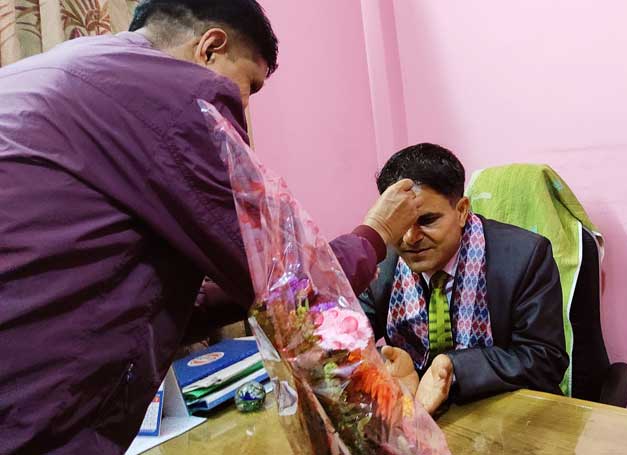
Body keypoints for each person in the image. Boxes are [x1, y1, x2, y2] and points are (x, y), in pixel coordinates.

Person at [0, 1, 419, 453]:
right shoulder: (175, 95)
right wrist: (377, 231)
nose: (245, 106)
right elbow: (288, 283)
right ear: (210, 48)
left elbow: (133, 291)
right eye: (250, 85)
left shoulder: (44, 76)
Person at [360, 143, 569, 415]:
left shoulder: (525, 256)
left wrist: (455, 368)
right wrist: (381, 366)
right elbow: (343, 341)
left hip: (507, 414)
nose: (410, 238)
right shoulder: (380, 264)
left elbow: (544, 359)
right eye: (401, 223)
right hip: (416, 415)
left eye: (427, 220)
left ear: (461, 210)